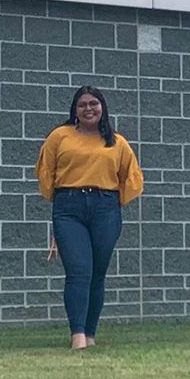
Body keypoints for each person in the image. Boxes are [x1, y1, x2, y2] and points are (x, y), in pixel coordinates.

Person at [34, 85, 144, 350]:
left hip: (106, 208)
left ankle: (91, 334)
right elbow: (45, 170)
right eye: (82, 104)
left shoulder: (116, 141)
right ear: (75, 109)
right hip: (68, 208)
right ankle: (78, 336)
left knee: (97, 273)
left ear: (102, 107)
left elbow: (133, 177)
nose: (88, 109)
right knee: (79, 271)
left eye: (93, 104)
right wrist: (58, 197)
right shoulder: (60, 136)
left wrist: (113, 201)